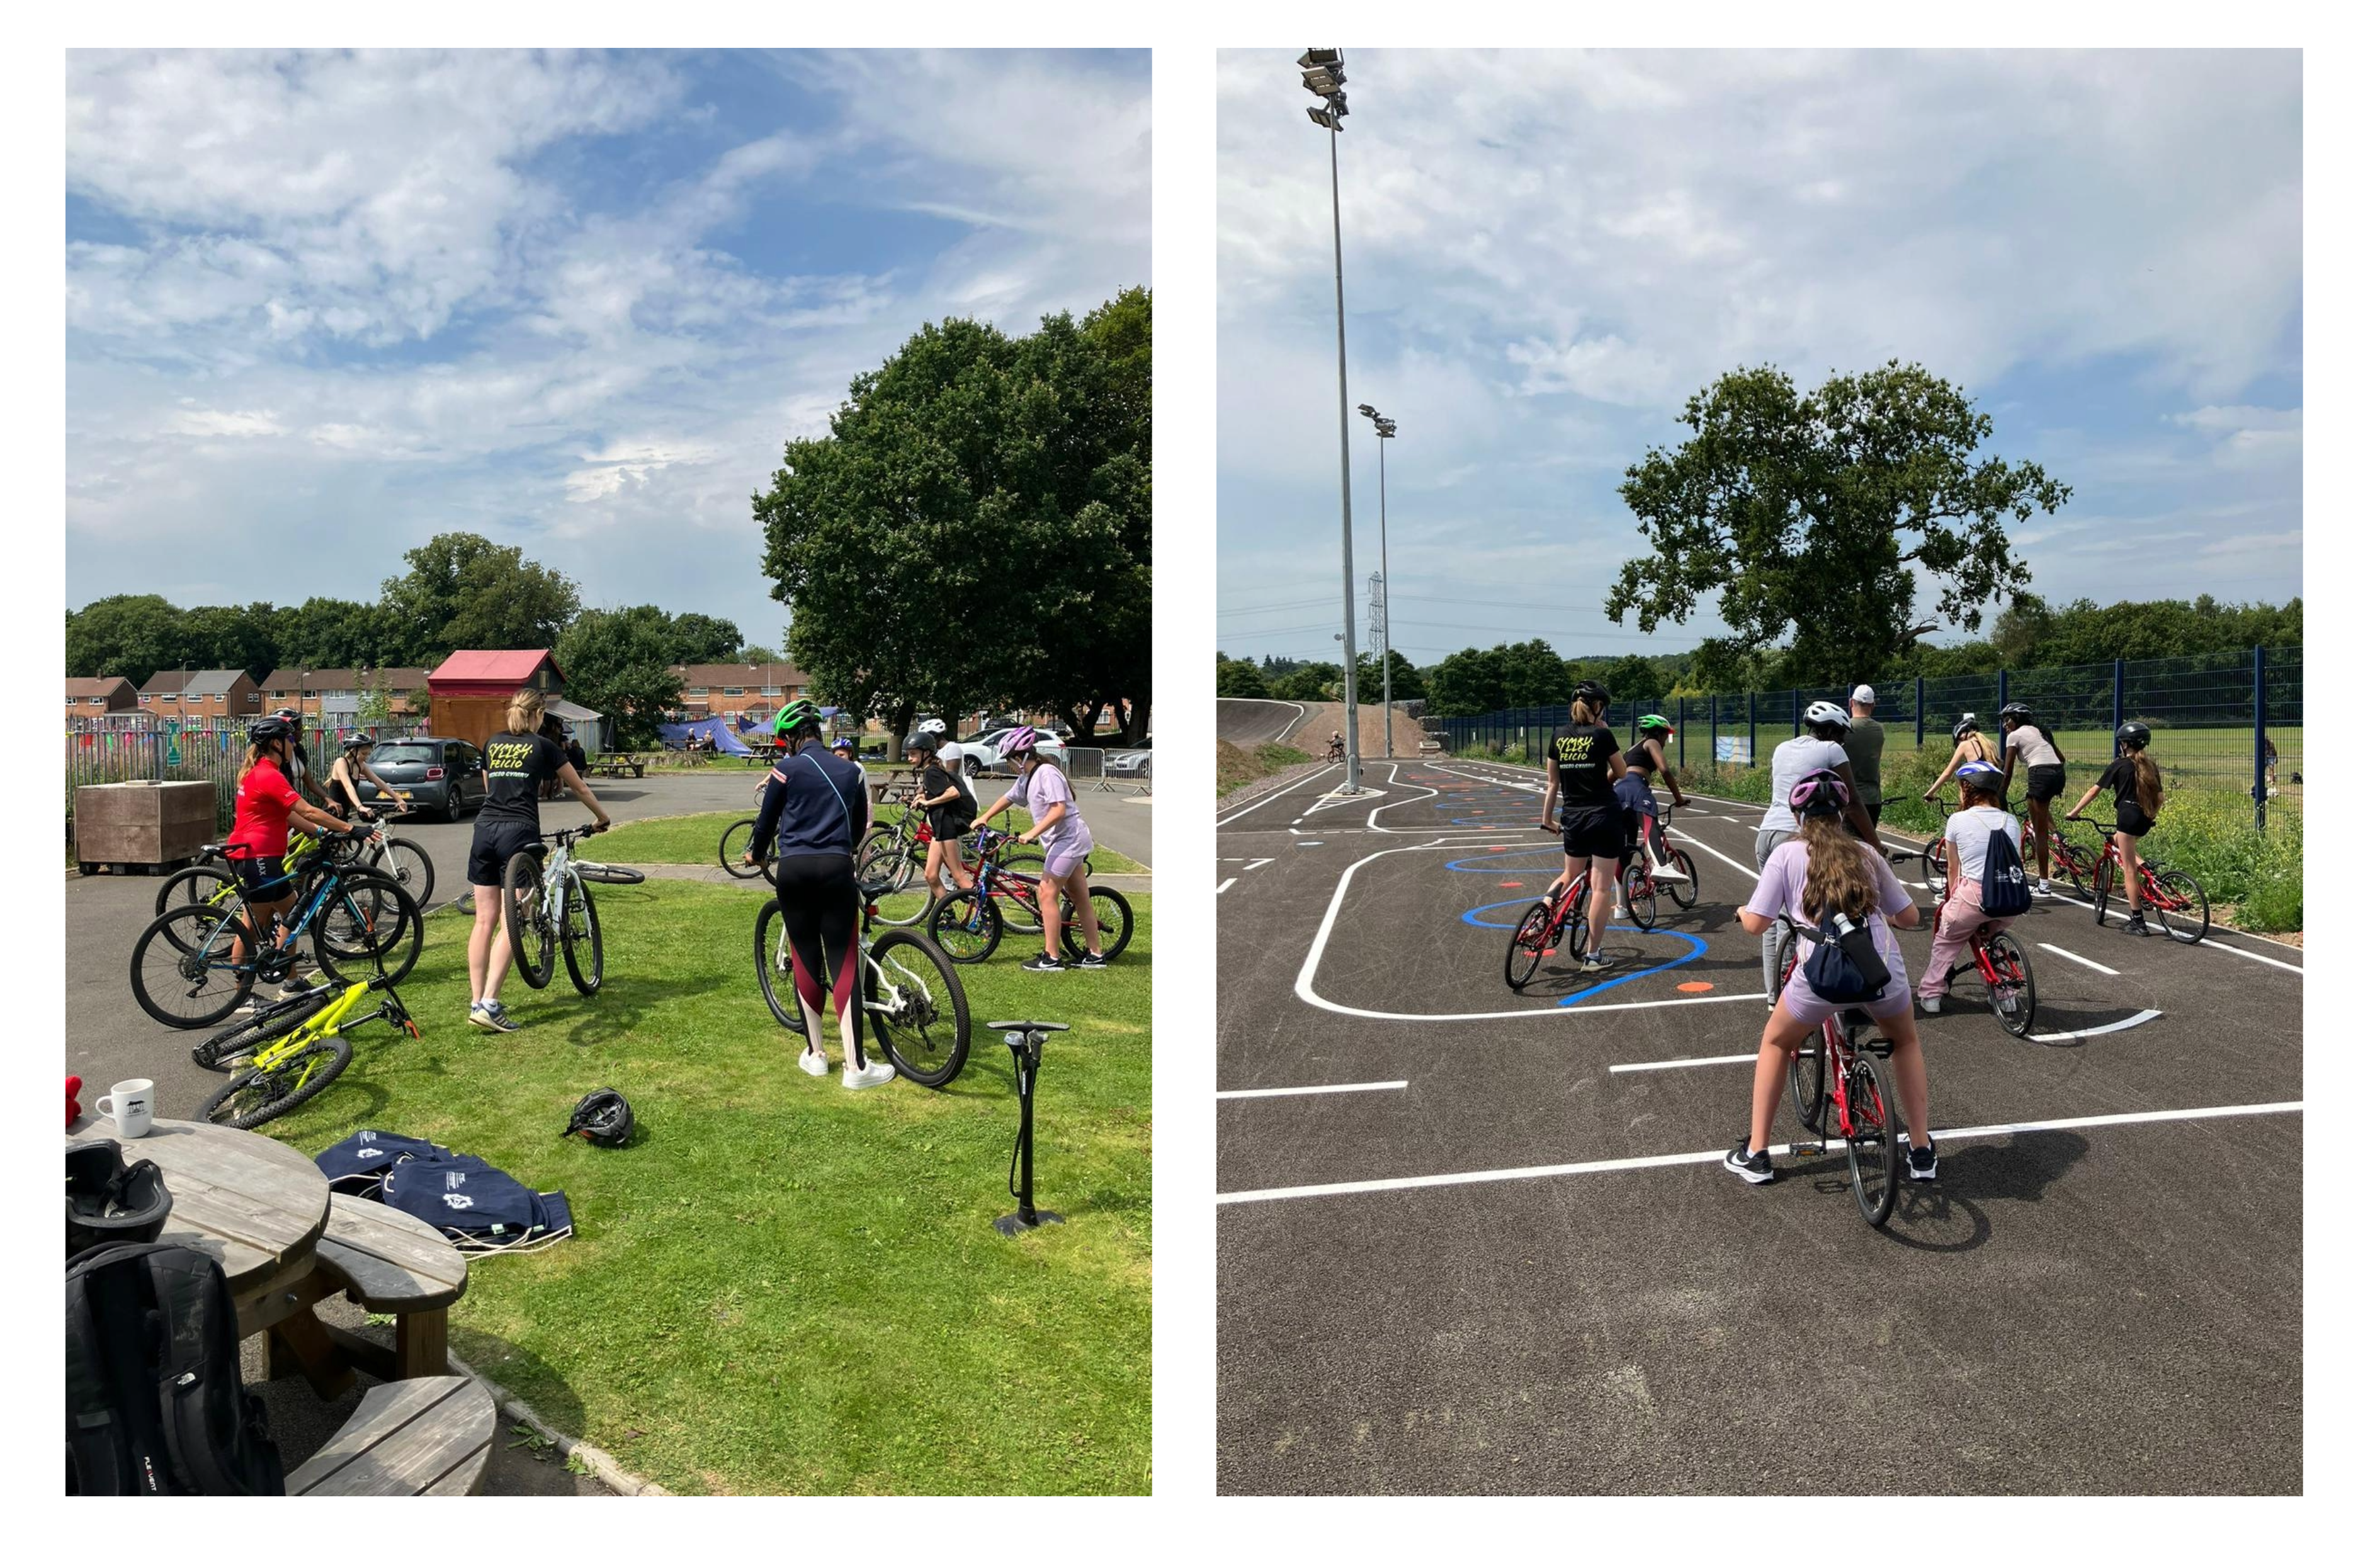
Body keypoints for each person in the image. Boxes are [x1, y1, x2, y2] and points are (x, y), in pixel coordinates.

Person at [1726, 769, 1936, 1187]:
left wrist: (1741, 914)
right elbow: (1909, 917)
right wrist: (1887, 912)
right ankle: (1920, 1150)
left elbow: (1756, 925)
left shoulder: (1786, 854)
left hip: (1822, 975)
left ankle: (1757, 1154)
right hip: (1880, 971)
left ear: (1798, 815)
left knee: (1776, 1041)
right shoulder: (1866, 853)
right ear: (1843, 813)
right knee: (1906, 1041)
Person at [749, 700, 897, 1087]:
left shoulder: (785, 769)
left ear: (792, 739)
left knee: (804, 956)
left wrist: (756, 853)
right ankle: (855, 1067)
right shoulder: (850, 770)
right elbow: (856, 828)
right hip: (834, 867)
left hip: (794, 870)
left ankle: (816, 1054)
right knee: (842, 960)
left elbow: (766, 823)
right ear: (818, 731)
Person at [465, 691, 609, 1034]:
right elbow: (580, 788)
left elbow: (490, 788)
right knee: (513, 919)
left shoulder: (492, 743)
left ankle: (475, 1001)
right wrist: (602, 817)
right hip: (519, 832)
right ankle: (490, 1003)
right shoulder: (544, 746)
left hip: (484, 829)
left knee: (484, 921)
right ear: (539, 714)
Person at [1755, 702, 1884, 1005]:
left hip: (1766, 834)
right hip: (1799, 836)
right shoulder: (1832, 751)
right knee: (1814, 915)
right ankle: (1813, 988)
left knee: (1775, 919)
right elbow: (1850, 802)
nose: (1842, 742)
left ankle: (1775, 998)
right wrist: (1875, 843)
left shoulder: (1782, 748)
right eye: (1841, 736)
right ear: (1831, 731)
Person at [227, 717, 358, 988]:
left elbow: (287, 815)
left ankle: (291, 980)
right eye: (290, 739)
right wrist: (348, 829)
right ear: (276, 743)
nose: (294, 744)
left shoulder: (265, 772)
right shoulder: (267, 774)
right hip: (257, 858)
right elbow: (306, 810)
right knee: (252, 926)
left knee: (292, 913)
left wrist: (321, 832)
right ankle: (243, 993)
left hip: (267, 858)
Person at [973, 726, 1106, 972]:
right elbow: (1009, 798)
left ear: (1022, 756)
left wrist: (1032, 833)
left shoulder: (1047, 773)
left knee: (1046, 892)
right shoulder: (1028, 778)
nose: (1010, 765)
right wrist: (986, 816)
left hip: (1069, 840)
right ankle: (1095, 954)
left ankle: (1052, 957)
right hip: (1064, 841)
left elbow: (1059, 810)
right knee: (1080, 898)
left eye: (1011, 759)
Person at [1536, 682, 1630, 970]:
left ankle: (1542, 915)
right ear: (1597, 706)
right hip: (1603, 815)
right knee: (1600, 888)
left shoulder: (1559, 735)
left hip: (1573, 815)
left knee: (1569, 874)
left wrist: (1547, 819)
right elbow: (1623, 771)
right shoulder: (1602, 734)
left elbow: (1553, 783)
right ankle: (1593, 956)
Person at [1917, 762, 2026, 1012]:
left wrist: (1952, 900)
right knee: (1988, 936)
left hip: (1975, 897)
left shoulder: (1958, 820)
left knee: (1948, 938)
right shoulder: (2011, 820)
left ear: (1967, 788)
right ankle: (2005, 995)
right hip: (2012, 898)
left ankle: (1932, 995)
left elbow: (1955, 870)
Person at [2067, 721, 2165, 937]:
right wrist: (2150, 815)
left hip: (2127, 817)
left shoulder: (2119, 765)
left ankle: (2138, 922)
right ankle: (2148, 869)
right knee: (2118, 841)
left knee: (2129, 871)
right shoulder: (2149, 766)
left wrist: (2074, 812)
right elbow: (2160, 798)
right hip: (2144, 819)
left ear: (2125, 745)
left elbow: (2094, 791)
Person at [1998, 701, 2066, 896]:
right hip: (2057, 774)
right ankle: (2058, 835)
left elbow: (2008, 772)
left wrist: (2000, 797)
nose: (2005, 725)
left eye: (2007, 720)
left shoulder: (2014, 736)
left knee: (2040, 833)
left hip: (2039, 773)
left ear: (2016, 719)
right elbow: (2061, 758)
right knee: (2035, 803)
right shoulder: (2040, 731)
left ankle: (2044, 885)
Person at [1617, 714, 1691, 883]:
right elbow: (1664, 770)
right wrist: (1678, 799)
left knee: (1626, 849)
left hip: (1619, 792)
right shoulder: (1652, 742)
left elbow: (1610, 776)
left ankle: (1621, 906)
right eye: (1666, 736)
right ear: (1658, 733)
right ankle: (1662, 866)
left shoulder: (1629, 752)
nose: (1665, 742)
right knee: (1651, 825)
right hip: (1637, 788)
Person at [907, 730, 977, 895]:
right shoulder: (931, 770)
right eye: (908, 754)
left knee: (959, 876)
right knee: (931, 875)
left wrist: (928, 802)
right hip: (940, 827)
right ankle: (948, 914)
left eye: (913, 754)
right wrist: (922, 798)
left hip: (947, 827)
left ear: (926, 753)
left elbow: (953, 793)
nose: (910, 758)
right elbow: (939, 791)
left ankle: (983, 915)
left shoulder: (932, 771)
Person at [323, 731, 409, 821]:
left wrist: (399, 800)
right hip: (331, 814)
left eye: (368, 754)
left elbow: (379, 783)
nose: (366, 757)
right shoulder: (341, 762)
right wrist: (360, 806)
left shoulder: (361, 765)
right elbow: (348, 786)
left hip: (344, 813)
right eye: (364, 754)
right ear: (353, 751)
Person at [1920, 713, 2003, 801]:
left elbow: (1947, 773)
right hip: (1995, 788)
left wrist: (1930, 793)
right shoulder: (1991, 744)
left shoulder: (1965, 744)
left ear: (1964, 734)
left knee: (1961, 775)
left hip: (1976, 788)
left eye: (1959, 739)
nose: (1959, 743)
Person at [1844, 685, 1888, 832]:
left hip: (1848, 797)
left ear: (1851, 702)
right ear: (1873, 705)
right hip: (1873, 799)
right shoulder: (1878, 730)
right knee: (1868, 846)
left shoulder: (1844, 728)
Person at [272, 706, 332, 807]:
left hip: (292, 807)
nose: (302, 732)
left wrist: (328, 799)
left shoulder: (298, 751)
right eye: (300, 728)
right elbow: (306, 812)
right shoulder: (274, 759)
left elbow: (309, 782)